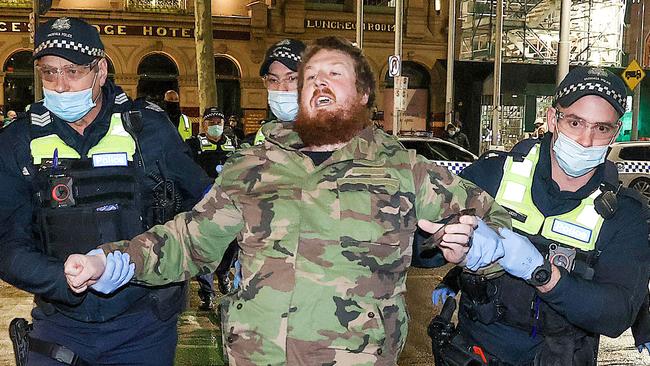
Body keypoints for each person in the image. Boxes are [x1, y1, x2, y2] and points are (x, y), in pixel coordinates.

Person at [64, 36, 511, 365]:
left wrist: (480, 247)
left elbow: (500, 225)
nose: (320, 86)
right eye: (311, 78)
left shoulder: (403, 169)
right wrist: (111, 260)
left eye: (335, 76)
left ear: (362, 96)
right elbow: (188, 240)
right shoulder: (253, 165)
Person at [0, 17, 211, 365]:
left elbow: (202, 212)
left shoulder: (149, 129)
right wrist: (61, 278)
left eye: (72, 71)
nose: (60, 86)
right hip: (60, 325)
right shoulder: (19, 141)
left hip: (144, 323)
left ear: (100, 71)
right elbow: (6, 239)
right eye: (49, 72)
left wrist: (141, 260)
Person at [431, 66, 650, 365]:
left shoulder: (624, 213)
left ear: (614, 131)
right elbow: (420, 244)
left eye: (601, 128)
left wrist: (542, 273)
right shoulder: (495, 174)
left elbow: (617, 314)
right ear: (552, 119)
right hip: (473, 354)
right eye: (575, 122)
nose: (586, 141)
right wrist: (444, 241)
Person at [186, 107, 238, 309]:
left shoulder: (233, 144)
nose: (216, 126)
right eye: (211, 122)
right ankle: (207, 293)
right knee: (204, 247)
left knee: (231, 245)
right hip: (204, 203)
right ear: (203, 123)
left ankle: (224, 272)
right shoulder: (193, 144)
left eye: (219, 121)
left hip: (230, 204)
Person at [253, 38, 306, 145]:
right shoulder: (264, 135)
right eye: (273, 80)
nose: (281, 88)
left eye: (291, 78)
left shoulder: (330, 138)